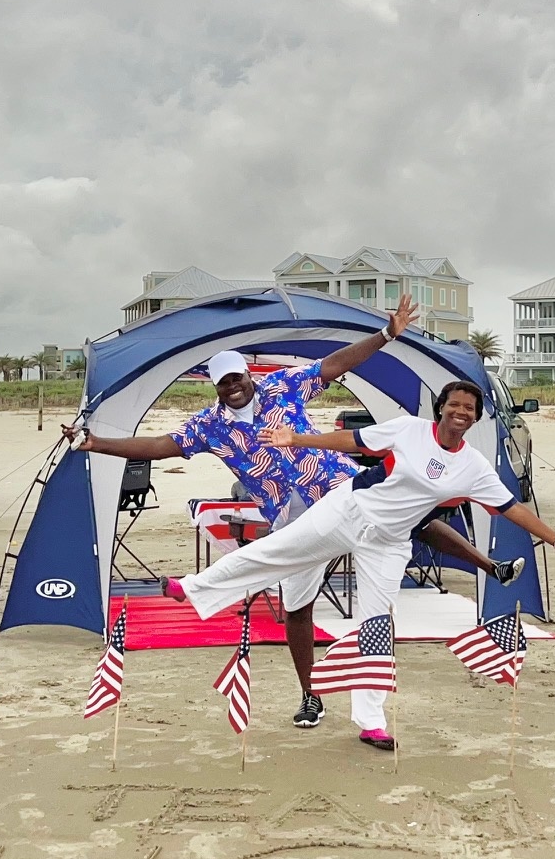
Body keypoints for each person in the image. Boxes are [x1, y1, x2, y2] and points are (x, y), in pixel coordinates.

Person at [66, 295, 521, 729]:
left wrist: (386, 334)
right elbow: (158, 446)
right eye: (225, 382)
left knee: (413, 518)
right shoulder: (208, 426)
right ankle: (311, 694)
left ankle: (489, 566)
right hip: (294, 518)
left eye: (239, 376)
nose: (235, 386)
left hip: (339, 488)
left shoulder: (282, 387)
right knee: (296, 608)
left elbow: (337, 363)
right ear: (216, 387)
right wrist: (97, 442)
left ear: (248, 374)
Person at [169, 377, 555, 750]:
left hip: (388, 544)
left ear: (476, 417)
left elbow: (510, 508)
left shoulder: (473, 466)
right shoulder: (410, 431)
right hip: (348, 509)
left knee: (376, 626)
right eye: (455, 405)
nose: (461, 412)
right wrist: (296, 440)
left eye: (470, 408)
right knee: (275, 552)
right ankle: (194, 588)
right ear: (441, 410)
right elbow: (354, 442)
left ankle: (371, 721)